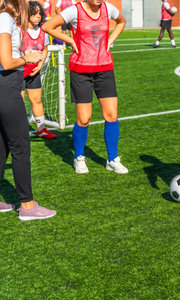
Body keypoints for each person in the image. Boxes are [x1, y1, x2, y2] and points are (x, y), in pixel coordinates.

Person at [42, 0, 128, 174]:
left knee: (111, 115)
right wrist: (70, 40)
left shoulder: (108, 8)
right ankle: (79, 157)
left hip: (105, 69)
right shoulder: (75, 11)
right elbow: (48, 26)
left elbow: (121, 21)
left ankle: (112, 159)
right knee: (84, 118)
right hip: (81, 71)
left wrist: (111, 39)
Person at [0, 0, 56, 220]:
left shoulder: (8, 19)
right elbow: (6, 61)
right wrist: (28, 58)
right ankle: (28, 205)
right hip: (6, 84)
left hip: (5, 84)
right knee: (20, 145)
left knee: (3, 144)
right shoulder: (5, 18)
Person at [21, 1, 57, 139]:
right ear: (27, 14)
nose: (38, 16)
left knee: (36, 100)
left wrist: (40, 65)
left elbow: (45, 48)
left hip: (34, 71)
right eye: (34, 13)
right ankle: (19, 129)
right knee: (19, 101)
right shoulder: (19, 29)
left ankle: (41, 129)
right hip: (18, 72)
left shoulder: (43, 30)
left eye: (40, 13)